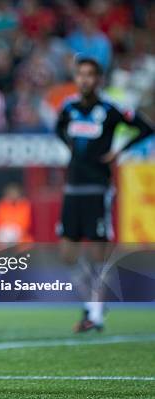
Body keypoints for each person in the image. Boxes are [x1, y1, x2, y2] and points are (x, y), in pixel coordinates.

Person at [55, 56, 153, 332]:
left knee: (98, 253)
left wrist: (119, 150)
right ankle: (93, 304)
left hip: (98, 188)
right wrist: (71, 147)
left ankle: (94, 313)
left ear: (98, 80)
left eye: (90, 75)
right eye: (80, 74)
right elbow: (58, 128)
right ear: (76, 78)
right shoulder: (70, 107)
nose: (85, 79)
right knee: (67, 253)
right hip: (72, 186)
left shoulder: (110, 109)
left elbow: (145, 128)